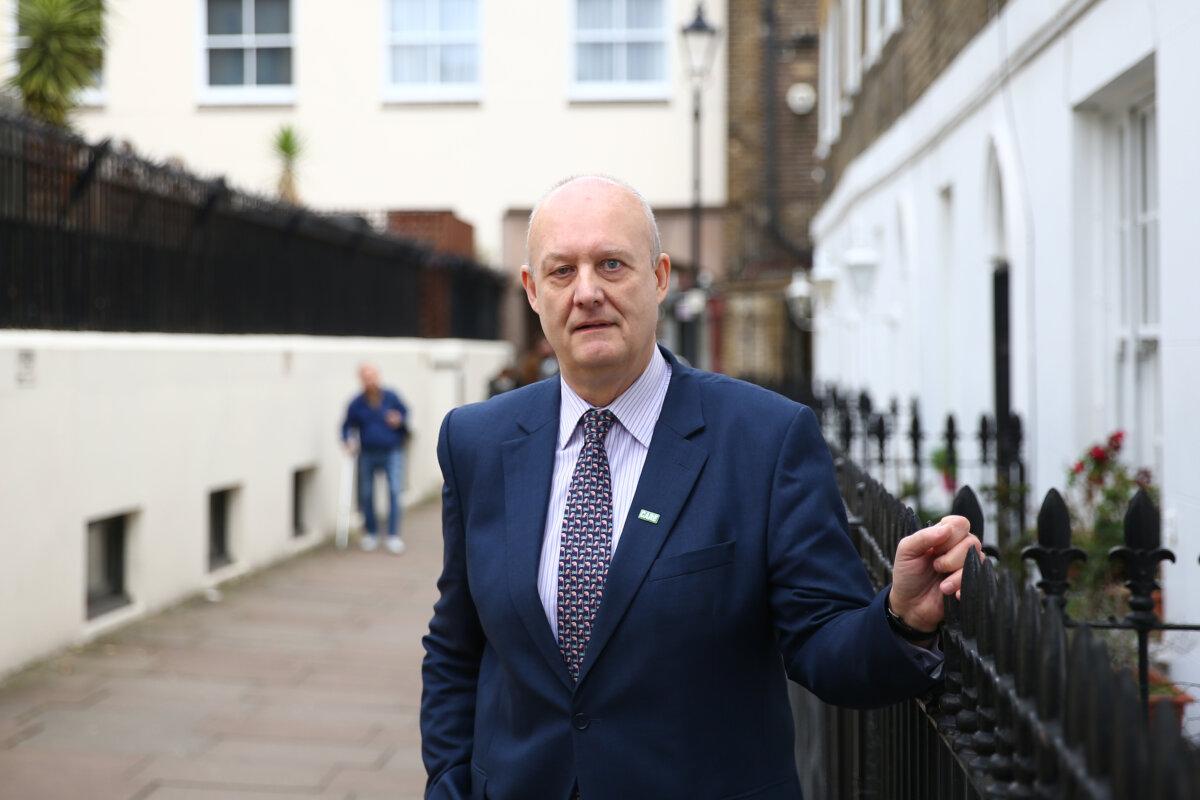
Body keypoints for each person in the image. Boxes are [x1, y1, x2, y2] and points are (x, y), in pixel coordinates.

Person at [420, 176, 980, 799]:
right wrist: (448, 781)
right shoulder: (477, 441)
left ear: (660, 277)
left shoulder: (764, 439)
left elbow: (824, 642)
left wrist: (901, 620)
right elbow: (456, 642)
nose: (587, 293)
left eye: (611, 264)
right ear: (531, 290)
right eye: (561, 271)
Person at [341, 363, 410, 554]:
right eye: (365, 377)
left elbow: (405, 414)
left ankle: (393, 535)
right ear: (361, 379)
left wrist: (399, 420)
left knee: (395, 491)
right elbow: (346, 426)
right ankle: (371, 533)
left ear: (378, 376)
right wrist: (347, 440)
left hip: (392, 451)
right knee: (366, 494)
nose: (370, 380)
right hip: (367, 453)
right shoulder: (356, 403)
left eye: (372, 375)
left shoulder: (391, 396)